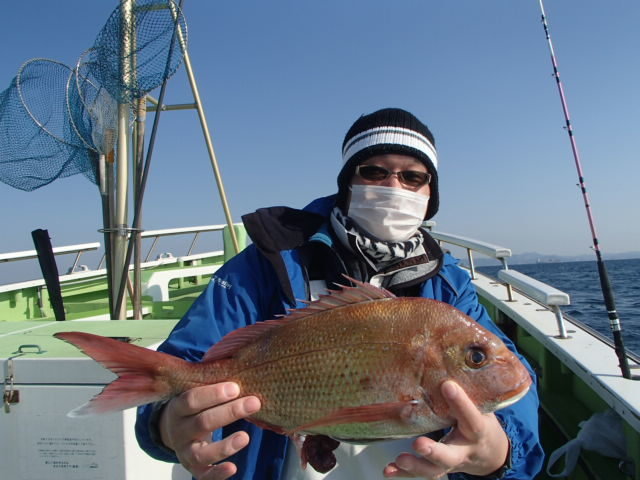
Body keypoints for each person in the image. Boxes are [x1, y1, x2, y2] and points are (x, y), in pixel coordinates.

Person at [135, 108, 544, 480]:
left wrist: (499, 450)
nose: (393, 186)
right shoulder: (267, 262)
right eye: (373, 171)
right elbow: (184, 363)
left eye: (413, 177)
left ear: (430, 195)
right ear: (348, 181)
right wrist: (166, 423)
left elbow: (509, 375)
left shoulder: (449, 285)